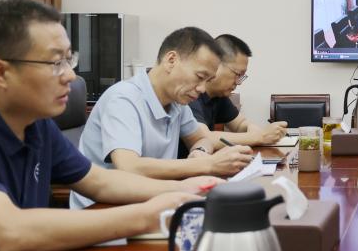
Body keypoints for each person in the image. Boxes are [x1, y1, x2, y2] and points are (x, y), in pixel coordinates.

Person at [0, 0, 220, 251]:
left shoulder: (36, 124)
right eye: (55, 62)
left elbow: (100, 182)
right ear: (0, 73)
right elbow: (8, 232)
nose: (71, 75)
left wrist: (185, 190)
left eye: (69, 60)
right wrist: (148, 216)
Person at [71, 27, 254, 208]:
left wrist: (200, 151)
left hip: (154, 200)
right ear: (171, 60)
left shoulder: (177, 101)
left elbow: (201, 138)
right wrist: (208, 164)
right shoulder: (123, 99)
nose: (202, 89)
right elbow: (129, 167)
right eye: (200, 77)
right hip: (104, 209)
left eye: (207, 81)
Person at [184, 34, 287, 154]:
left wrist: (255, 130)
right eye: (238, 74)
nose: (239, 82)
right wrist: (260, 136)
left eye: (242, 76)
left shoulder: (218, 94)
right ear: (216, 64)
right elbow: (203, 138)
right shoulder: (190, 93)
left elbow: (240, 124)